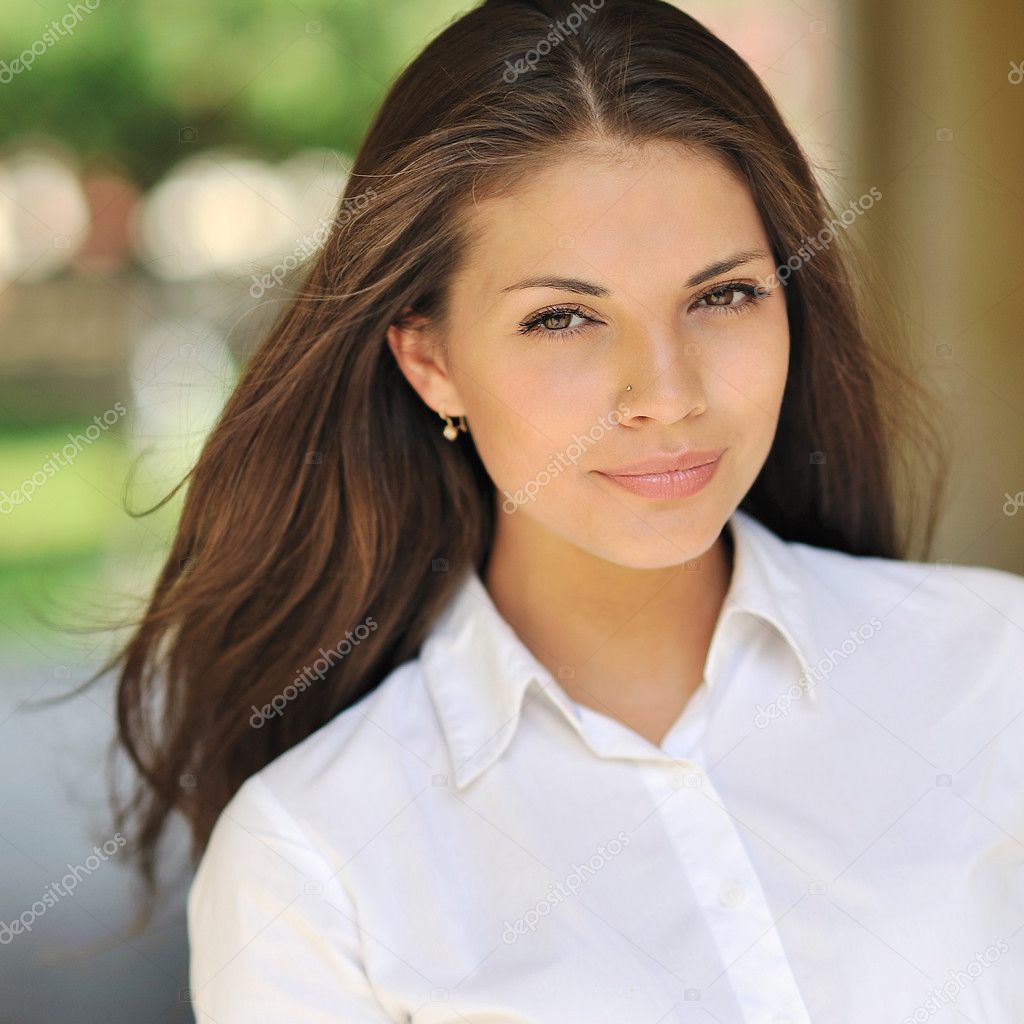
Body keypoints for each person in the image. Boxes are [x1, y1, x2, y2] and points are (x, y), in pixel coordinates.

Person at [92, 0, 1024, 1020]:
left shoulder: (993, 670)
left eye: (721, 297)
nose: (664, 393)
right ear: (431, 360)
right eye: (564, 317)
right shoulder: (313, 860)